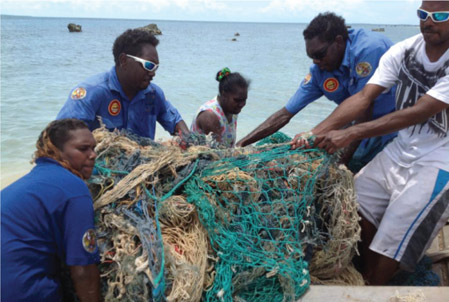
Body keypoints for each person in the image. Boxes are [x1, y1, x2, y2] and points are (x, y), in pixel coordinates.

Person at [292, 0, 449, 285]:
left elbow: (420, 111)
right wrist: (314, 133)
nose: (428, 22)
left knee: (394, 232)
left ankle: (375, 283)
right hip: (401, 150)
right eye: (422, 14)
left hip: (440, 160)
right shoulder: (404, 51)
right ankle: (371, 274)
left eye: (439, 15)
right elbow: (364, 97)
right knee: (354, 201)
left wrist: (350, 133)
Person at [237, 12, 397, 172]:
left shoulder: (369, 49)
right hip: (358, 129)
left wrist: (338, 167)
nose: (316, 61)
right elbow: (285, 114)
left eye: (320, 55)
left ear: (339, 41)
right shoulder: (319, 72)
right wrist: (242, 144)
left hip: (396, 126)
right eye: (311, 56)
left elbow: (364, 108)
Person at [1, 119, 101, 301]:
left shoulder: (23, 185)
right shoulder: (74, 190)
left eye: (94, 148)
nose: (93, 155)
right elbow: (83, 270)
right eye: (83, 149)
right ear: (57, 152)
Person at [57, 29, 189, 140]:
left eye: (156, 67)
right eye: (148, 65)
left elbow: (175, 122)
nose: (153, 73)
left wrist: (188, 141)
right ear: (124, 60)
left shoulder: (153, 95)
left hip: (143, 167)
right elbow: (62, 138)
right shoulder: (92, 93)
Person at [191, 67, 250, 147]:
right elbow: (217, 152)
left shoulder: (232, 110)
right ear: (224, 94)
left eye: (244, 100)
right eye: (237, 100)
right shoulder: (210, 116)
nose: (241, 104)